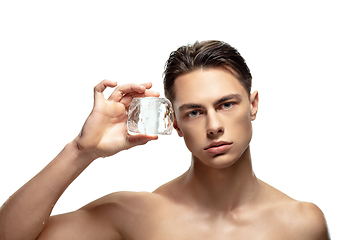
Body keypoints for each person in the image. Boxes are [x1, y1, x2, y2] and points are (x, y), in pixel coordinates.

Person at [0, 40, 330, 240]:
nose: (214, 126)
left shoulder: (301, 223)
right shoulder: (134, 214)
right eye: (195, 112)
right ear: (174, 122)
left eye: (226, 104)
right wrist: (80, 151)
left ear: (253, 105)